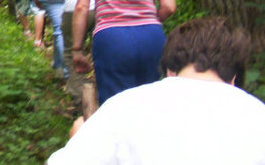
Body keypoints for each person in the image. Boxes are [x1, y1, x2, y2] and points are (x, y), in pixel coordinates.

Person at [48, 16, 265, 165]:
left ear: (170, 70)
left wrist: (80, 137)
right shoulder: (258, 115)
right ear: (234, 78)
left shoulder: (125, 107)